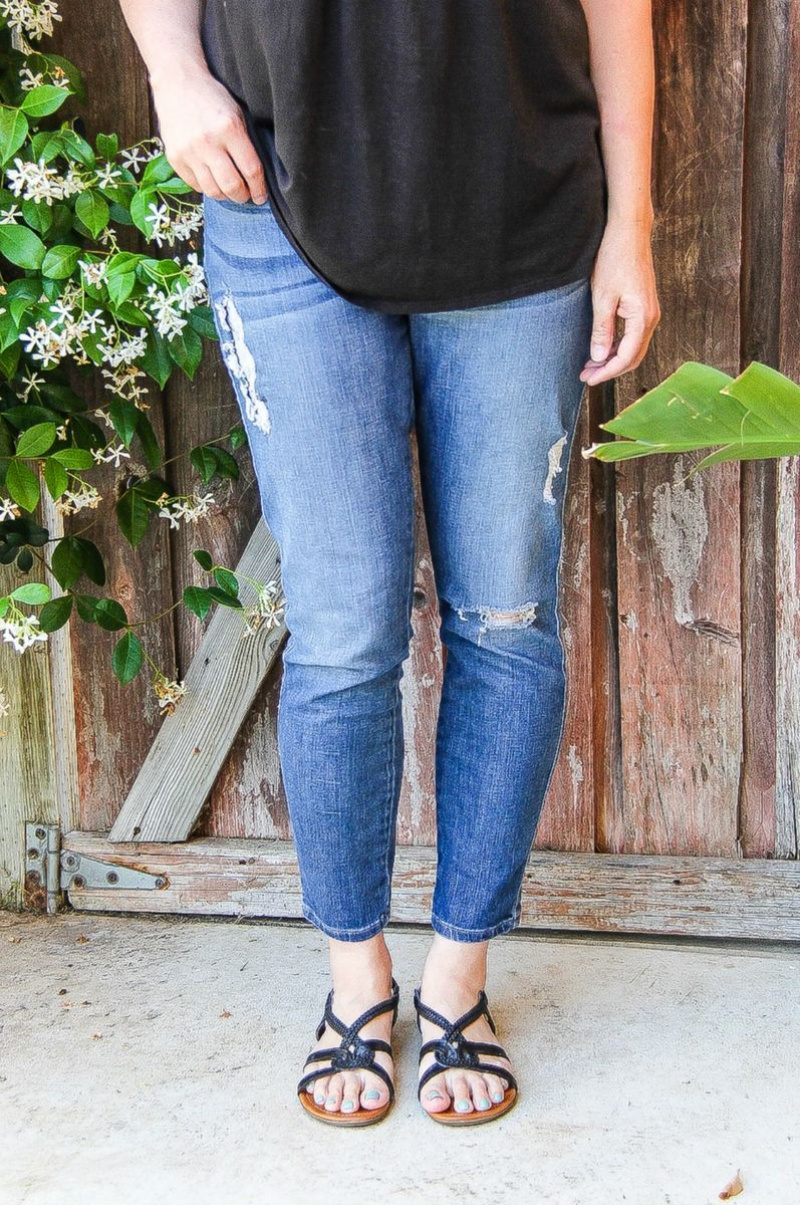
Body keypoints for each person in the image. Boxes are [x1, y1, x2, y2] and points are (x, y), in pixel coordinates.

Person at [120, 0, 660, 1127]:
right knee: (340, 627)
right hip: (274, 193)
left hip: (521, 203)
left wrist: (632, 222)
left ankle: (457, 978)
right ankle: (354, 979)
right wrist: (173, 72)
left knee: (505, 619)